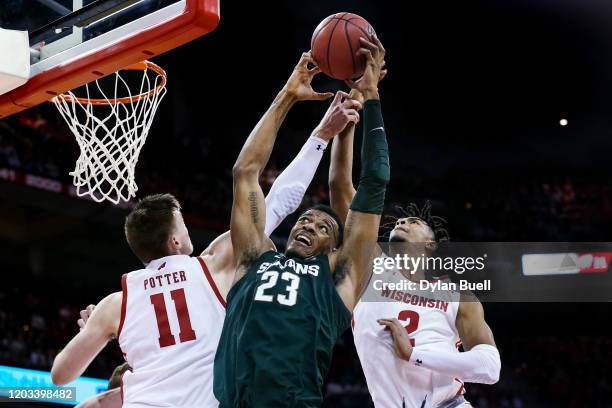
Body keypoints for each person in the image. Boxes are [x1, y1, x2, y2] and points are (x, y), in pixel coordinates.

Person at [50, 52, 361, 408]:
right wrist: (321, 135)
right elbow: (276, 201)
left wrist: (104, 332)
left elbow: (61, 375)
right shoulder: (211, 264)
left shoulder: (116, 303)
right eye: (182, 221)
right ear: (176, 239)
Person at [213, 37, 388, 408]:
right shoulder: (255, 257)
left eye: (324, 228)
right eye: (305, 220)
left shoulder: (340, 278)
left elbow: (373, 184)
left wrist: (370, 98)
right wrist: (287, 96)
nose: (308, 225)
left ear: (335, 248)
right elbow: (245, 172)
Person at [329, 81, 501, 408]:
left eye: (415, 223)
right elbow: (341, 191)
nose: (403, 222)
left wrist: (414, 355)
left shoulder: (457, 296)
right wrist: (346, 126)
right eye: (400, 221)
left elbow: (490, 368)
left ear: (431, 246)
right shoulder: (369, 272)